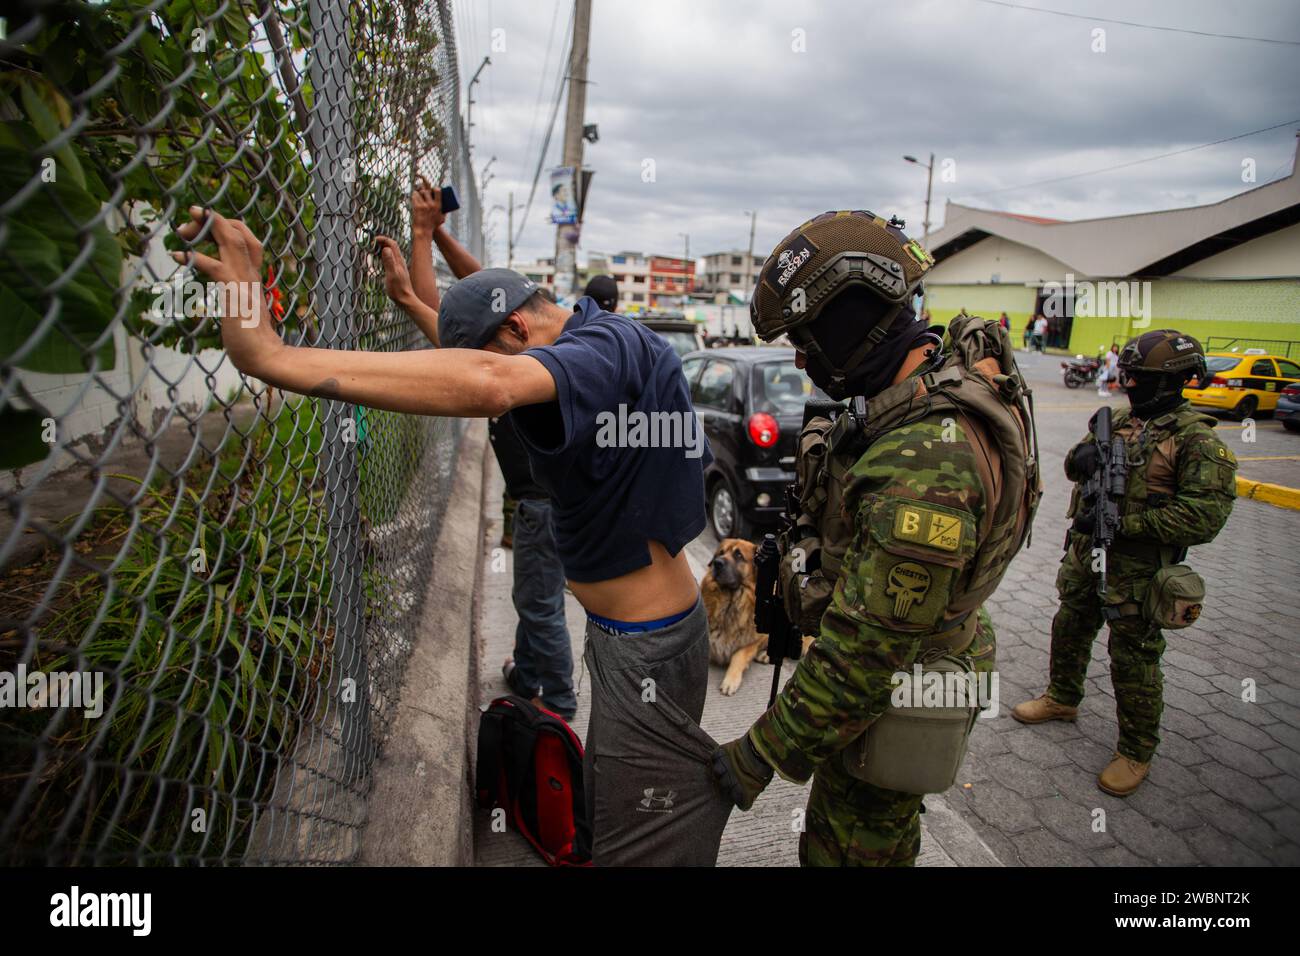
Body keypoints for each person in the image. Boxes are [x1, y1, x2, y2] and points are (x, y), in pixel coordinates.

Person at [176, 204, 723, 865]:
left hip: (649, 650)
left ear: (518, 327)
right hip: (635, 641)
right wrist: (412, 283)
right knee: (615, 816)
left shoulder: (598, 352)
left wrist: (268, 354)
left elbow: (489, 380)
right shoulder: (593, 338)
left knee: (641, 848)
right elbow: (483, 344)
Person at [710, 210, 1042, 866]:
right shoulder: (939, 381)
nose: (802, 358)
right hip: (911, 666)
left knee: (850, 845)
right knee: (889, 836)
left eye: (807, 337)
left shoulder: (925, 462)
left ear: (851, 318)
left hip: (894, 690)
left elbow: (862, 660)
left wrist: (752, 759)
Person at [374, 181, 576, 718]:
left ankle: (558, 707)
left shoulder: (516, 371)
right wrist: (436, 232)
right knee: (535, 598)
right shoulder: (553, 346)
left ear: (511, 328)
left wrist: (421, 240)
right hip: (552, 500)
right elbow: (482, 301)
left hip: (542, 507)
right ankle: (528, 673)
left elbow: (453, 335)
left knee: (538, 604)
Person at [1012, 330, 1236, 796]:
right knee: (1070, 625)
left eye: (1141, 377)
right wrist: (1082, 458)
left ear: (1173, 381)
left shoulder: (1197, 441)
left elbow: (1204, 518)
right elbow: (1074, 466)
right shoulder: (1116, 420)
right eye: (1129, 374)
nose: (1129, 382)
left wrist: (1126, 524)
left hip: (1140, 574)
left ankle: (1136, 749)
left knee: (1133, 658)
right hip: (1087, 556)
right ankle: (1062, 698)